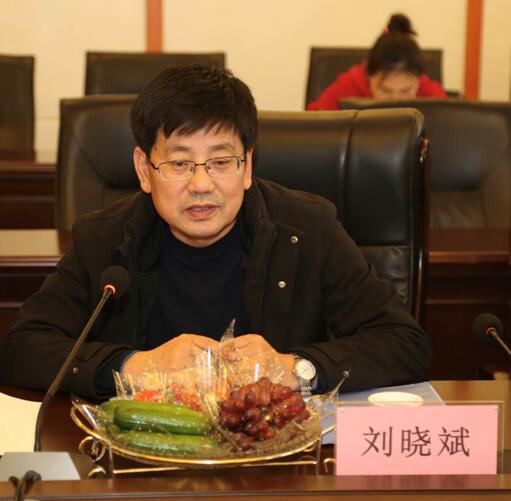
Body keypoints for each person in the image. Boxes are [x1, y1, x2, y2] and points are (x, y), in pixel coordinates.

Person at [0, 64, 431, 399]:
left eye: (222, 162)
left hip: (273, 460)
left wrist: (295, 368)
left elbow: (405, 343)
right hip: (142, 458)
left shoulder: (307, 229)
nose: (201, 184)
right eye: (179, 163)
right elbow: (21, 348)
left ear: (248, 165)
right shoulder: (105, 239)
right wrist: (134, 366)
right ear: (144, 170)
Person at [307, 13, 447, 110]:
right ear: (368, 75)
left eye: (406, 90)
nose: (395, 100)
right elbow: (313, 125)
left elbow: (449, 131)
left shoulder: (430, 96)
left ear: (419, 80)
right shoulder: (350, 86)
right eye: (385, 90)